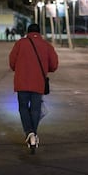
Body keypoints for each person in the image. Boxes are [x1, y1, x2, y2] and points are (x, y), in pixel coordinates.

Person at [9, 23, 59, 153]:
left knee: (23, 108)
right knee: (35, 109)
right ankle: (33, 135)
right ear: (39, 32)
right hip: (38, 83)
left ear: (27, 32)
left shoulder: (20, 43)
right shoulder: (46, 45)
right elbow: (54, 65)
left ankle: (30, 133)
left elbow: (12, 62)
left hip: (22, 82)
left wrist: (20, 68)